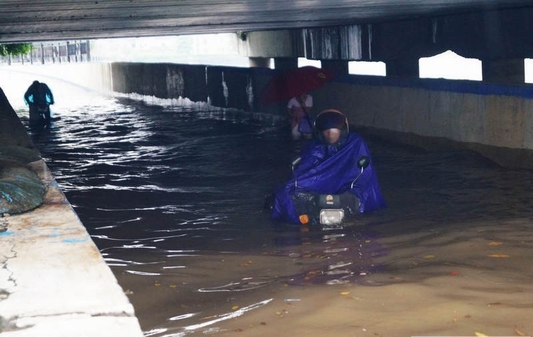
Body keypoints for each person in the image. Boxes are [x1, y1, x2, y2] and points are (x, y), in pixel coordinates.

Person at [270, 109, 386, 224]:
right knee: (285, 192)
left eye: (334, 131)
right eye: (327, 132)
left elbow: (364, 174)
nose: (330, 135)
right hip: (319, 186)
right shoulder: (315, 147)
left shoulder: (355, 143)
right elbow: (305, 171)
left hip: (347, 186)